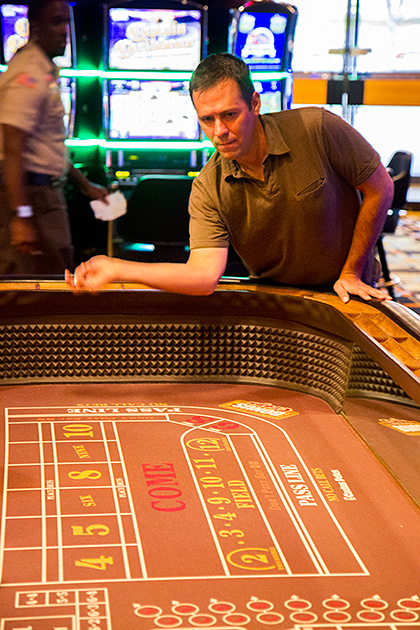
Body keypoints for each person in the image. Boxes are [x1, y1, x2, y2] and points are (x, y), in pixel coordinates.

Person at [66, 53, 394, 304]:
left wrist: (351, 270)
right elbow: (203, 274)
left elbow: (380, 188)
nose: (219, 131)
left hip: (349, 290)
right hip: (277, 299)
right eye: (207, 120)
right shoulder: (209, 185)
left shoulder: (316, 128)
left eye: (229, 115)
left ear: (254, 103)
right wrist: (117, 268)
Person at [0, 0, 108, 276]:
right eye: (55, 22)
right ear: (34, 26)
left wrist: (85, 186)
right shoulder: (28, 75)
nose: (64, 31)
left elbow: (49, 146)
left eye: (67, 22)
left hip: (46, 194)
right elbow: (12, 149)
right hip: (32, 196)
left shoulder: (45, 70)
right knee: (37, 289)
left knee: (56, 279)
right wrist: (21, 216)